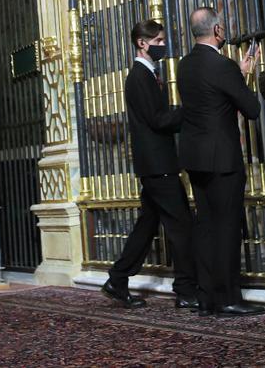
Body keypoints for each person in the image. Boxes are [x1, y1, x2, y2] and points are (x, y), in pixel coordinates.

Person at [102, 20, 200, 311]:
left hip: (157, 165)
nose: (162, 45)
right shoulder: (138, 78)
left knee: (147, 226)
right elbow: (157, 120)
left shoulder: (149, 75)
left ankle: (117, 280)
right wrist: (191, 110)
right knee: (182, 228)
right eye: (157, 41)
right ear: (142, 43)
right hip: (158, 167)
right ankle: (184, 290)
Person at [177, 7, 265, 317]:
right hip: (223, 159)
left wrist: (234, 76)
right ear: (217, 31)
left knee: (205, 227)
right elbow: (251, 108)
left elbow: (209, 97)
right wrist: (245, 76)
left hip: (195, 158)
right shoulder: (224, 66)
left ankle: (206, 296)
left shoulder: (184, 66)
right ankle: (228, 297)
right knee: (227, 228)